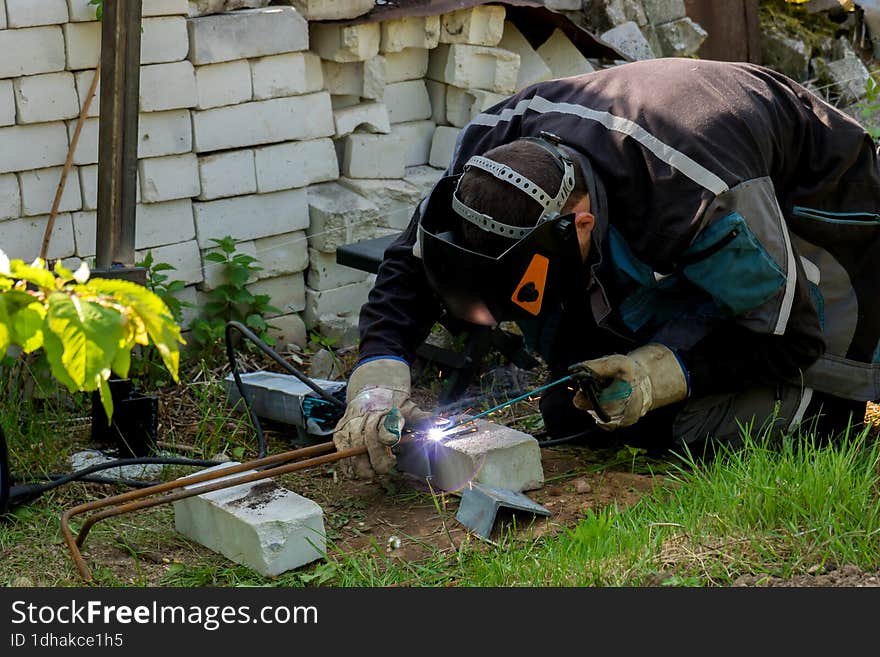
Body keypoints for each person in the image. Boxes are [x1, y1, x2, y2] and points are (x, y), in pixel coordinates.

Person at [333, 57, 880, 480]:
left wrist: (657, 374)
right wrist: (377, 379)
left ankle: (843, 415)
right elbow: (413, 262)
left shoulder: (699, 199)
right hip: (666, 187)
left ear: (583, 223)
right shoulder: (489, 147)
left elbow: (790, 336)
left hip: (823, 213)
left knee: (685, 425)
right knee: (575, 413)